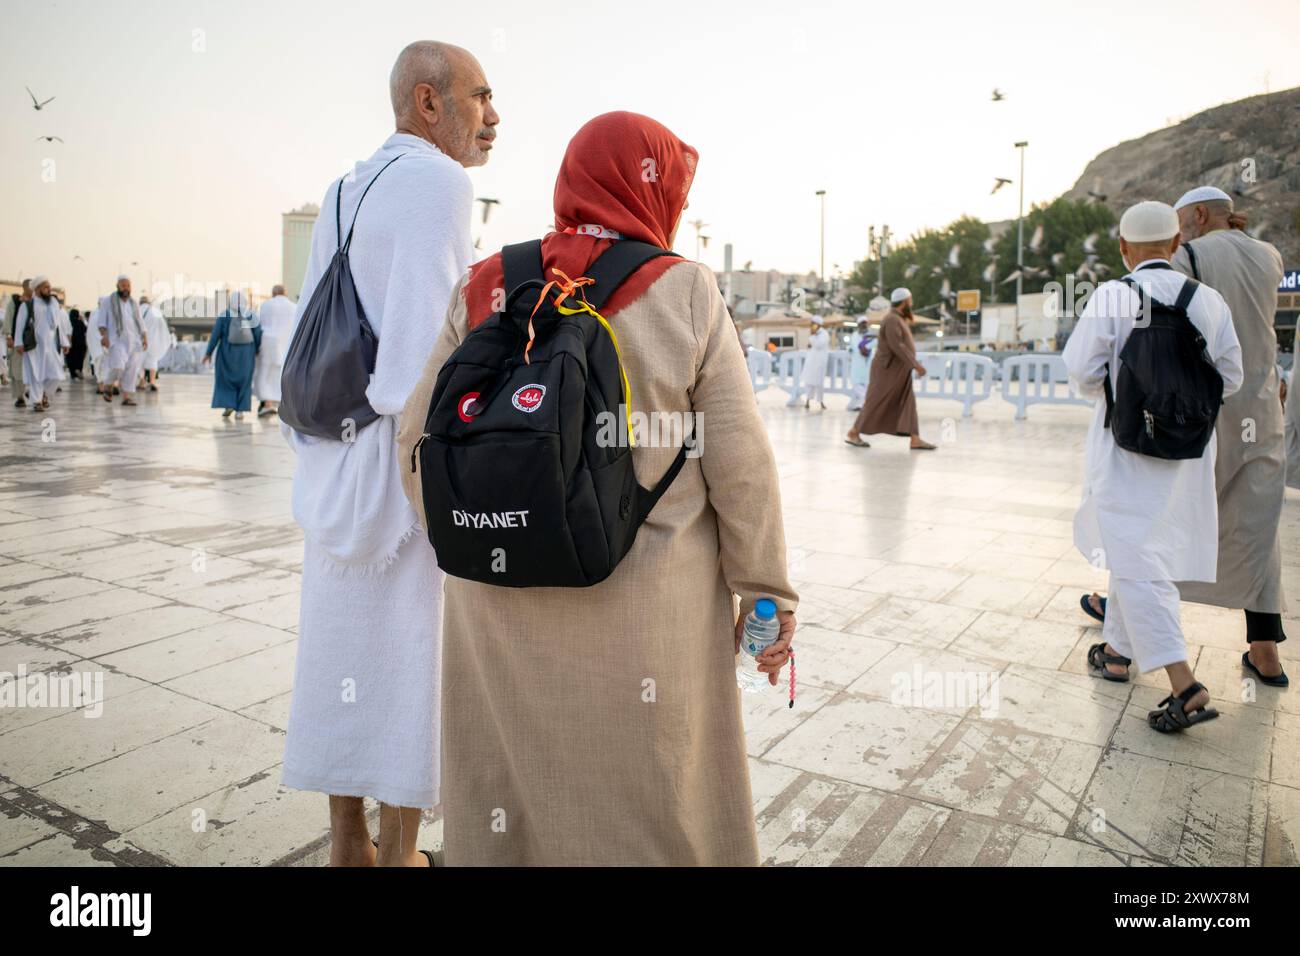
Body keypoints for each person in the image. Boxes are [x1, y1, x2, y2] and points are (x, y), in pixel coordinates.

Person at [397, 110, 797, 866]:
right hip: (647, 606)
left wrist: (491, 529)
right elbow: (740, 463)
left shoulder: (485, 284)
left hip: (496, 607)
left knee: (507, 794)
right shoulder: (684, 290)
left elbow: (412, 438)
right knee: (653, 800)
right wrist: (767, 591)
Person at [281, 40, 493, 868]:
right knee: (410, 658)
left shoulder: (343, 188)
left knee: (338, 650)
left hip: (333, 458)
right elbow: (424, 351)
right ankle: (401, 855)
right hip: (396, 465)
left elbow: (316, 324)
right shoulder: (443, 183)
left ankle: (346, 842)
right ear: (428, 103)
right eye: (481, 97)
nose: (494, 115)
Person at [1064, 201, 1242, 731]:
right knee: (1138, 551)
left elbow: (1079, 371)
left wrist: (1126, 393)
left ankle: (1185, 685)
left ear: (1124, 248)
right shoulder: (1208, 301)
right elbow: (1230, 378)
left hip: (1126, 449)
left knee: (1141, 564)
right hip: (1187, 454)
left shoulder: (1114, 295)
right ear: (1173, 246)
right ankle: (1117, 651)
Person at [845, 288, 936, 450]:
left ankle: (915, 438)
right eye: (910, 300)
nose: (912, 303)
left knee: (908, 402)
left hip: (899, 370)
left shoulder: (898, 319)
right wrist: (915, 364)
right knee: (876, 401)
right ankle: (854, 432)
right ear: (904, 302)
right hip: (887, 371)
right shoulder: (892, 319)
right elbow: (897, 346)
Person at [13, 276, 70, 411]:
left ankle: (43, 394)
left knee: (56, 374)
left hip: (50, 346)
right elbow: (20, 325)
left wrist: (64, 342)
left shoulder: (54, 304)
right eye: (46, 287)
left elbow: (58, 326)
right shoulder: (27, 305)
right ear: (37, 289)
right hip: (34, 346)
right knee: (36, 374)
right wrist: (19, 344)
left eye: (49, 287)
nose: (49, 290)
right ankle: (37, 401)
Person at [202, 291, 261, 420]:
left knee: (225, 380)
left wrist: (208, 353)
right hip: (246, 353)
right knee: (244, 381)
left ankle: (228, 404)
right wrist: (256, 349)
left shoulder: (224, 315)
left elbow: (215, 335)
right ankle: (240, 410)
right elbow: (257, 333)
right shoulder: (251, 315)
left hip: (226, 352)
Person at [94, 275, 148, 405]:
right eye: (123, 285)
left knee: (131, 370)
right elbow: (101, 321)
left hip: (133, 341)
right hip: (116, 340)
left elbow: (140, 322)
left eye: (128, 286)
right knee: (118, 367)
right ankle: (108, 384)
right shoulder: (108, 301)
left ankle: (126, 397)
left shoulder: (133, 303)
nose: (126, 288)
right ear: (117, 286)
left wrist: (145, 337)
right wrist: (104, 336)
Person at [254, 284, 293, 416]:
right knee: (282, 372)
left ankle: (267, 403)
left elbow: (260, 324)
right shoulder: (293, 306)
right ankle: (282, 402)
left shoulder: (266, 305)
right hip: (286, 342)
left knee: (265, 372)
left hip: (268, 341)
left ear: (273, 293)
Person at [793, 316, 830, 409]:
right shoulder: (814, 334)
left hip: (819, 363)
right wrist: (812, 336)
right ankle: (807, 401)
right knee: (809, 381)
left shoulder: (824, 334)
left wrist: (813, 336)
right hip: (811, 362)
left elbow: (819, 345)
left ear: (817, 324)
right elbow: (811, 346)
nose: (811, 325)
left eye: (813, 323)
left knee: (819, 383)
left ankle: (821, 402)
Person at [5, 280, 31, 407]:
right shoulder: (15, 301)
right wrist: (9, 336)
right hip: (18, 342)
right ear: (25, 288)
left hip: (32, 343)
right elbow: (8, 319)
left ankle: (33, 393)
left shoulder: (36, 303)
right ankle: (21, 396)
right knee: (18, 370)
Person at [140, 295, 170, 391]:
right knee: (153, 361)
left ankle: (142, 382)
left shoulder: (136, 310)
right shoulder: (155, 311)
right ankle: (152, 382)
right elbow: (163, 327)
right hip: (154, 341)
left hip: (140, 341)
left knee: (140, 362)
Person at [847, 317, 872, 410]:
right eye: (862, 323)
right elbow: (850, 346)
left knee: (866, 384)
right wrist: (849, 350)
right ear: (858, 325)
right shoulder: (854, 335)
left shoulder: (871, 335)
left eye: (865, 323)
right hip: (856, 363)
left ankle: (860, 404)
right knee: (855, 383)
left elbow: (874, 345)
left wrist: (866, 349)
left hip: (867, 363)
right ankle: (862, 401)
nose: (863, 325)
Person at [66, 308, 88, 380]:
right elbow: (85, 330)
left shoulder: (69, 322)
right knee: (79, 358)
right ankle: (78, 369)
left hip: (71, 343)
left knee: (71, 358)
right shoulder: (80, 322)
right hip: (80, 343)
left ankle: (73, 374)